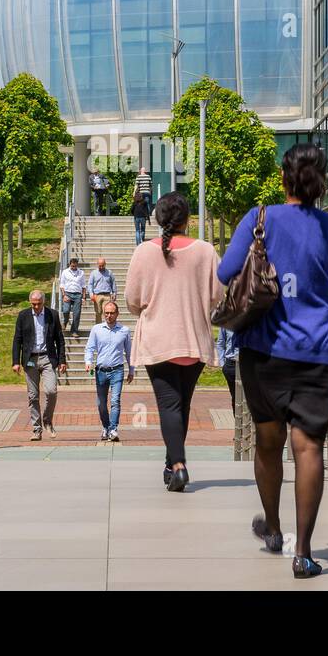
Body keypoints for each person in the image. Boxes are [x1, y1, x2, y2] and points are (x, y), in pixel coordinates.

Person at [217, 143, 328, 579]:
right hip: (321, 351)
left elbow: (227, 272)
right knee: (309, 447)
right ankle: (303, 552)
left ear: (284, 178)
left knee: (268, 439)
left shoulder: (259, 218)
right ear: (323, 183)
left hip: (264, 350)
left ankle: (274, 529)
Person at [125, 192, 222, 492]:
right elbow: (219, 295)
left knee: (169, 405)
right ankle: (172, 465)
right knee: (182, 405)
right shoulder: (206, 251)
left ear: (157, 218)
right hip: (193, 338)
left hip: (158, 339)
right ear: (187, 219)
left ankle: (178, 466)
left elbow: (131, 301)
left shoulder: (143, 251)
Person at [11, 289, 67, 441]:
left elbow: (59, 340)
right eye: (33, 304)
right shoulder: (23, 316)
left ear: (44, 302)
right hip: (30, 359)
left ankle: (47, 420)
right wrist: (15, 361)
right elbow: (17, 339)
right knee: (33, 396)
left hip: (48, 358)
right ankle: (37, 429)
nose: (36, 307)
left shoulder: (52, 315)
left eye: (39, 304)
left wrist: (62, 361)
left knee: (51, 391)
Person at [84, 300, 134, 441]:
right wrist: (88, 361)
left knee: (115, 400)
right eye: (106, 313)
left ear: (117, 314)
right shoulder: (97, 329)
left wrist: (131, 369)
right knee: (101, 403)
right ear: (103, 314)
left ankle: (113, 429)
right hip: (101, 371)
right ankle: (105, 427)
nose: (109, 316)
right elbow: (90, 348)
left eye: (112, 313)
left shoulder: (124, 331)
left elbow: (129, 352)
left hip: (117, 370)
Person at [58, 257, 86, 336]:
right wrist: (64, 295)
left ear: (77, 265)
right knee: (66, 310)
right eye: (72, 266)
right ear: (70, 264)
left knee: (76, 314)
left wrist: (83, 297)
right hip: (67, 293)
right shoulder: (65, 272)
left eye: (75, 266)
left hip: (77, 295)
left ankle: (74, 331)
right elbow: (62, 285)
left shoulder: (81, 273)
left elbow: (83, 286)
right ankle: (65, 321)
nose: (74, 267)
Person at [87, 258, 116, 326]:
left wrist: (114, 293)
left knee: (106, 311)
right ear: (97, 265)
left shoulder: (109, 273)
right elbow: (90, 284)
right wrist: (91, 294)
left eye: (102, 265)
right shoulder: (93, 273)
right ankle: (98, 326)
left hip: (107, 295)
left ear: (105, 264)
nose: (101, 267)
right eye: (100, 266)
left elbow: (113, 283)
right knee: (98, 312)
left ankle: (108, 325)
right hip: (97, 295)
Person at [216, 326, 239, 403]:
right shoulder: (226, 322)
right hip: (231, 364)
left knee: (250, 397)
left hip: (248, 364)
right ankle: (236, 415)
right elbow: (220, 343)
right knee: (235, 397)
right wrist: (223, 364)